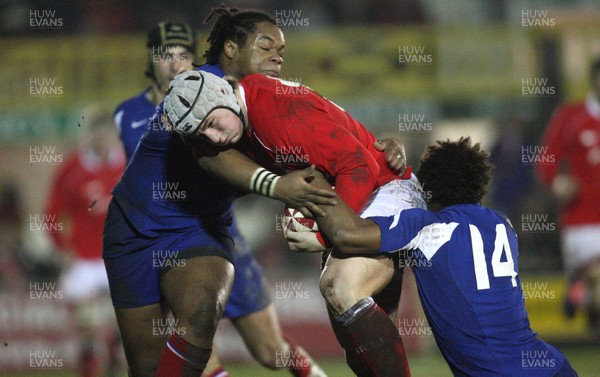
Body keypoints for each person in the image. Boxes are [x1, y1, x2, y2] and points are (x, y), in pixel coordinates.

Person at [104, 18, 338, 377]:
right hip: (133, 231)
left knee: (202, 310)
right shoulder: (196, 84)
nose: (277, 57)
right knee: (147, 366)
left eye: (281, 51)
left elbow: (323, 136)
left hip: (199, 229)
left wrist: (377, 149)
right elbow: (211, 155)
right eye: (264, 46)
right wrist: (278, 185)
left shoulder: (270, 99)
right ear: (231, 49)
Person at [166, 68, 425, 376]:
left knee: (340, 287)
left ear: (222, 93)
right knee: (356, 347)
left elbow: (359, 165)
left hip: (384, 189)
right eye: (202, 133)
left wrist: (324, 236)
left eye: (210, 123)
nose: (213, 136)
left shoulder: (275, 114)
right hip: (363, 197)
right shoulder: (247, 116)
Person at [297, 137, 578, 376]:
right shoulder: (501, 224)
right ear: (478, 182)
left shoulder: (424, 225)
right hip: (553, 366)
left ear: (428, 184)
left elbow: (349, 234)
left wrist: (320, 188)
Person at [45, 105, 125, 377]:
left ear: (114, 133)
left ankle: (114, 359)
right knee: (88, 328)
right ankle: (90, 364)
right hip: (83, 259)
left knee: (121, 324)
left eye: (107, 132)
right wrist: (61, 248)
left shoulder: (129, 161)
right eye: (96, 132)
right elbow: (52, 212)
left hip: (120, 257)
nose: (102, 138)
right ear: (89, 134)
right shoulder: (73, 167)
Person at [537, 57, 600, 335]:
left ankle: (577, 291)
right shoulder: (571, 115)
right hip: (581, 218)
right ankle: (580, 289)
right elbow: (546, 158)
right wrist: (557, 182)